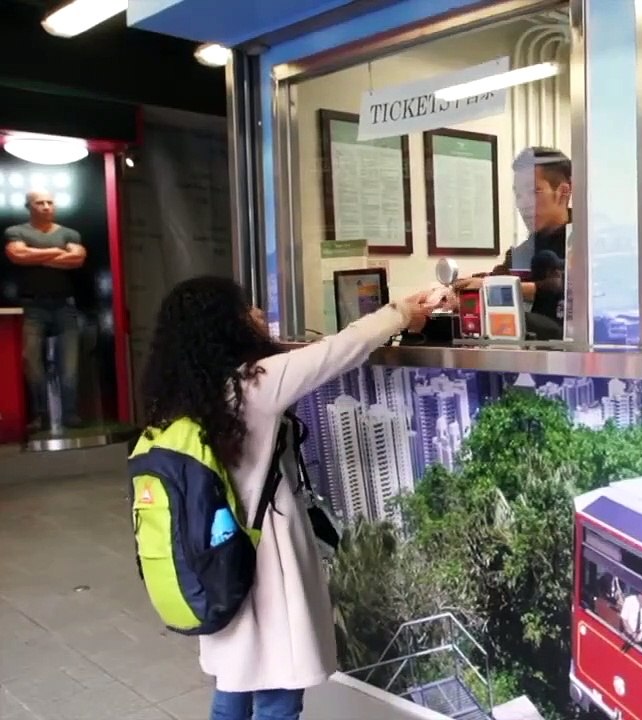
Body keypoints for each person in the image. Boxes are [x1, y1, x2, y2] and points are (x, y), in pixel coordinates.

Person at [136, 276, 430, 720]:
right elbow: (340, 349)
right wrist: (402, 313)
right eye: (245, 309)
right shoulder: (256, 385)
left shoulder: (185, 393)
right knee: (278, 695)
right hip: (264, 562)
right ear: (225, 325)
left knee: (234, 684)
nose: (257, 313)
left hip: (216, 556)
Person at [451, 146, 572, 339]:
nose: (523, 203)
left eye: (533, 192)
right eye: (518, 195)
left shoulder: (585, 246)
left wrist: (492, 286)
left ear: (563, 192)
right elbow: (498, 278)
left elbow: (566, 287)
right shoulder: (520, 254)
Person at [3, 190, 86, 430]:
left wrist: (35, 256)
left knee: (69, 366)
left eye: (50, 202)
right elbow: (17, 254)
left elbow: (77, 259)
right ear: (29, 206)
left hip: (64, 306)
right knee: (32, 363)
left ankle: (70, 414)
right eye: (40, 203)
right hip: (32, 306)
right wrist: (56, 253)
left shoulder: (70, 233)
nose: (47, 207)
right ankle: (39, 415)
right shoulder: (16, 231)